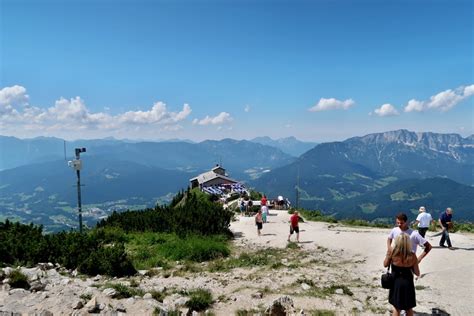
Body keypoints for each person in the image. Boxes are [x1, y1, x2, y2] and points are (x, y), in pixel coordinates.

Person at [384, 234, 420, 316]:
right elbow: (417, 273)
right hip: (408, 284)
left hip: (396, 283)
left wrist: (388, 254)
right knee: (409, 308)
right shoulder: (412, 255)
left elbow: (385, 264)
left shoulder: (392, 253)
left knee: (397, 308)